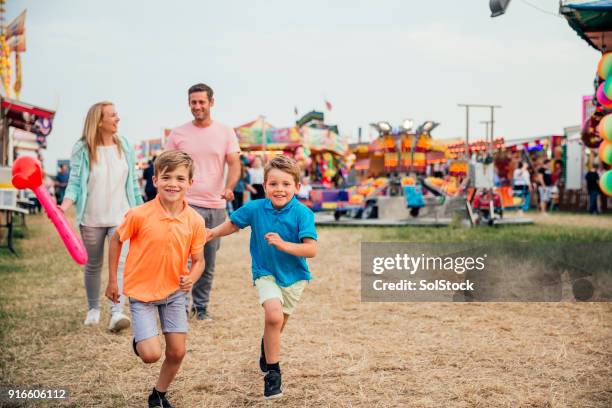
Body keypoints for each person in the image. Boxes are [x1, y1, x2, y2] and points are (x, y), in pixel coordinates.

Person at [207, 155, 317, 400]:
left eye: (286, 184)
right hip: (265, 273)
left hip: (295, 277)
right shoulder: (256, 208)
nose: (280, 189)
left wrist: (283, 244)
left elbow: (311, 249)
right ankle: (273, 375)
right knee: (273, 316)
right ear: (265, 186)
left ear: (297, 187)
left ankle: (266, 347)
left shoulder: (303, 214)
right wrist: (211, 233)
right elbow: (233, 224)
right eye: (274, 184)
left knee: (276, 325)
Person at [105, 150, 205, 408]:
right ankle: (140, 341)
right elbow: (116, 239)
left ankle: (158, 394)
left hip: (174, 293)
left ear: (190, 183)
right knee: (151, 355)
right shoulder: (139, 214)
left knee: (177, 352)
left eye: (181, 178)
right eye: (167, 177)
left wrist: (191, 278)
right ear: (155, 180)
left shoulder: (195, 220)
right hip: (142, 294)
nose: (173, 183)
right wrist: (113, 281)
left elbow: (199, 261)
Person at [61, 101, 143, 331]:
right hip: (92, 218)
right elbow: (75, 183)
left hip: (121, 217)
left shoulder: (124, 145)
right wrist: (64, 206)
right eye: (113, 115)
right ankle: (93, 308)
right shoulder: (82, 148)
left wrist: (141, 210)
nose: (118, 119)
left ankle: (117, 313)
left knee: (120, 266)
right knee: (93, 264)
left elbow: (133, 184)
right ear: (99, 121)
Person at [165, 83, 241, 321]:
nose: (197, 106)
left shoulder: (226, 132)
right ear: (189, 103)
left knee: (207, 260)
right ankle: (178, 307)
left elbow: (234, 163)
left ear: (211, 103)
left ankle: (201, 307)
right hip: (185, 204)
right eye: (193, 102)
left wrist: (229, 187)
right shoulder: (178, 134)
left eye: (201, 102)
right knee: (182, 258)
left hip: (215, 205)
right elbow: (167, 164)